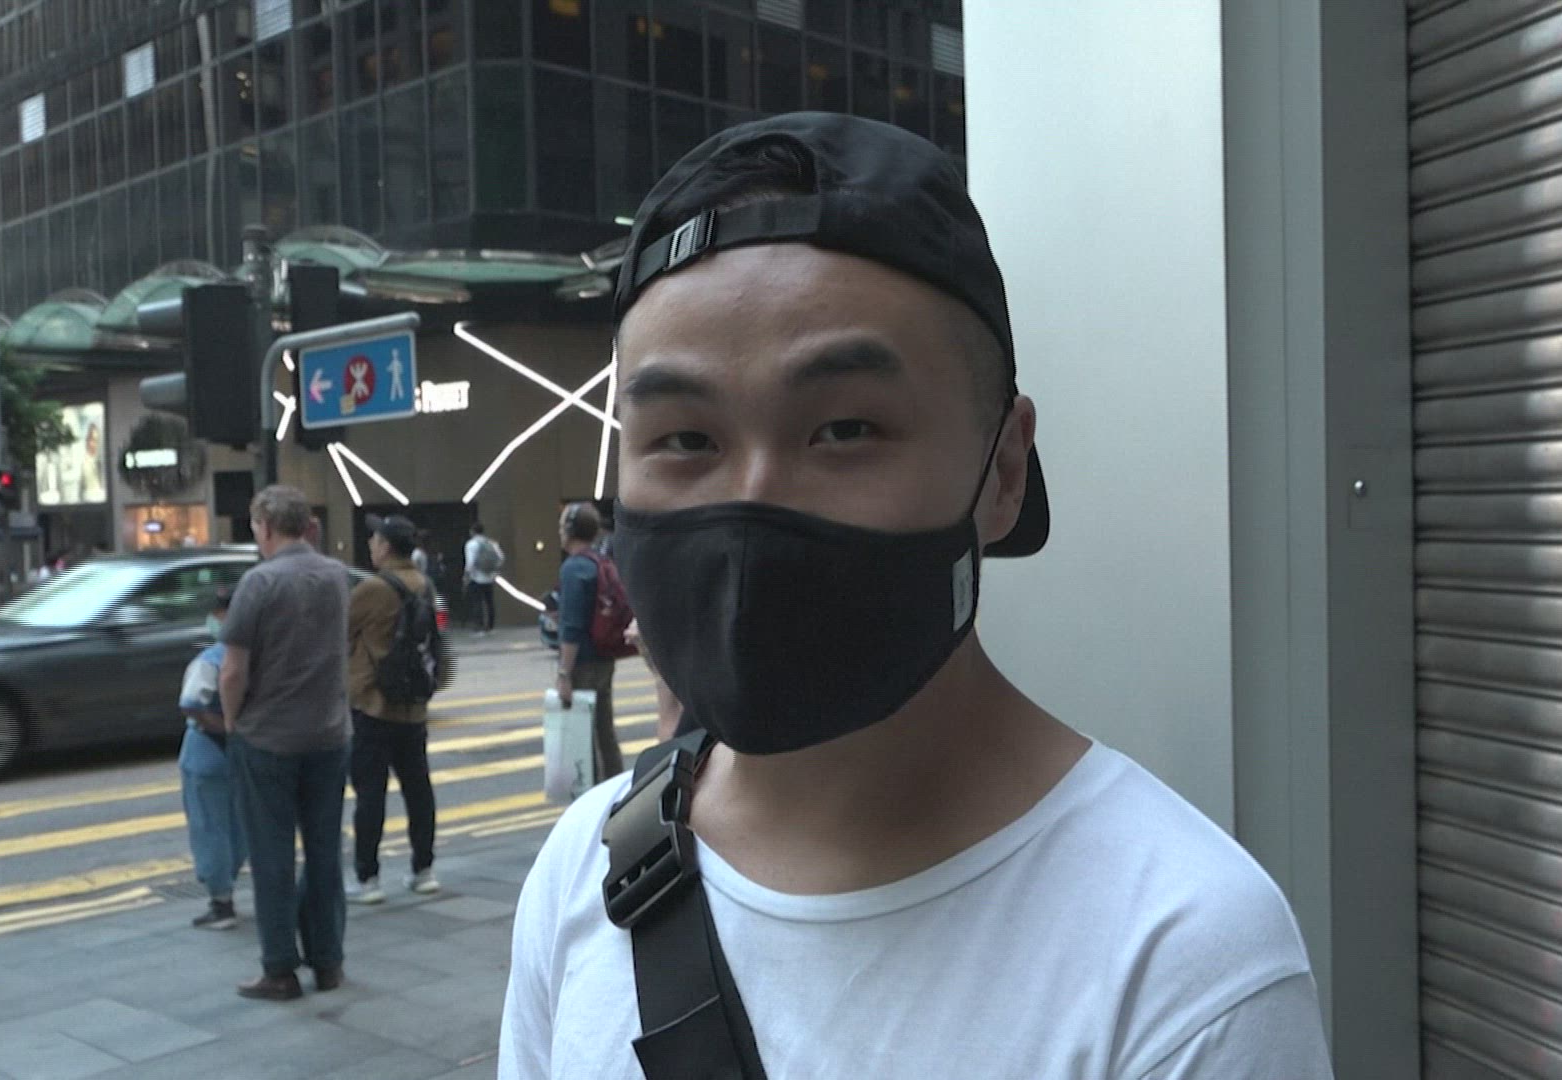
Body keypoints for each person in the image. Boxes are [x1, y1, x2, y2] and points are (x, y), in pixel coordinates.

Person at [496, 114, 1332, 1078]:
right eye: (685, 439)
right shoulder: (584, 871)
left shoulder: (1184, 964)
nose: (754, 502)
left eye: (845, 429)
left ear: (1004, 470)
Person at [219, 484, 352, 1001]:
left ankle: (279, 968)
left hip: (269, 736)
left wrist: (232, 721)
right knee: (323, 850)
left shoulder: (259, 582)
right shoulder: (336, 576)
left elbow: (233, 670)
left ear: (267, 527)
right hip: (329, 733)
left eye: (256, 526)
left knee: (272, 854)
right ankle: (329, 961)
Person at [346, 514, 441, 905]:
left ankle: (368, 878)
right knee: (418, 789)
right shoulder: (425, 583)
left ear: (385, 547)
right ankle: (423, 870)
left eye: (374, 539)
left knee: (370, 793)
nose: (370, 544)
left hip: (374, 705)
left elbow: (341, 630)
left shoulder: (372, 588)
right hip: (413, 707)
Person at [177, 586, 248, 931]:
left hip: (207, 749)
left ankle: (221, 902)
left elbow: (191, 704)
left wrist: (224, 728)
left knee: (209, 825)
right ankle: (228, 883)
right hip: (247, 751)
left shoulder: (211, 659)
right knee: (238, 825)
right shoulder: (262, 654)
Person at [553, 502, 622, 780]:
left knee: (583, 737)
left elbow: (572, 627)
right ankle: (615, 789)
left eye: (561, 526)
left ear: (570, 531)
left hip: (582, 664)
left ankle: (590, 792)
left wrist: (564, 673)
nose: (559, 531)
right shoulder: (600, 561)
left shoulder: (573, 568)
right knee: (605, 731)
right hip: (605, 658)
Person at [463, 522, 503, 634]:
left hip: (476, 577)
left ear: (472, 531)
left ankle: (479, 627)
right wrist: (493, 569)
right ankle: (490, 626)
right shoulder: (491, 543)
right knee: (489, 602)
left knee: (477, 602)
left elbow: (470, 562)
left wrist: (466, 576)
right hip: (490, 577)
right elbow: (501, 558)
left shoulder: (471, 544)